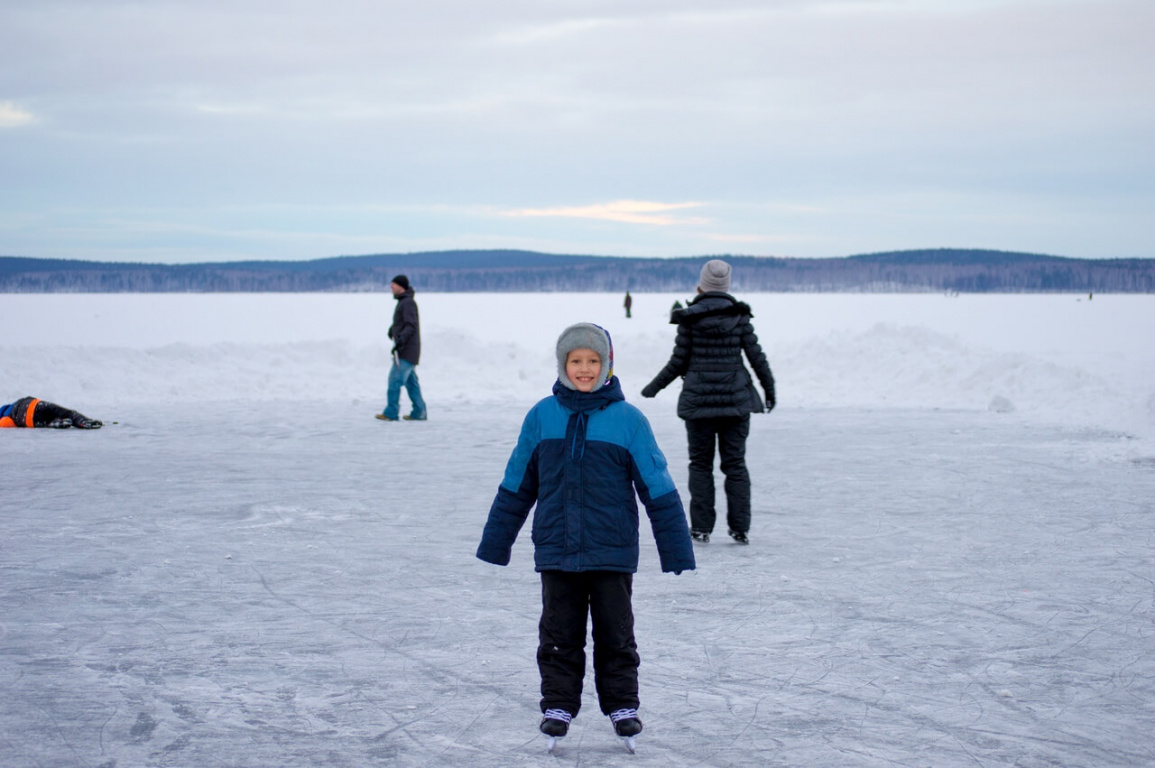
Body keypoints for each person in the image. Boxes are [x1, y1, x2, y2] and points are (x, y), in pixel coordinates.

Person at [476, 322, 695, 750]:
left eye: (593, 361)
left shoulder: (629, 420)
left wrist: (676, 547)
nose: (584, 369)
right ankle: (557, 705)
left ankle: (623, 706)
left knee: (616, 633)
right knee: (558, 633)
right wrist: (496, 541)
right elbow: (518, 481)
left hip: (612, 551)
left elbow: (658, 484)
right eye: (576, 361)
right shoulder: (542, 415)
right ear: (563, 364)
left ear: (607, 365)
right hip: (557, 549)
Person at [641, 259, 776, 545]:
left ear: (701, 285)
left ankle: (701, 528)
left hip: (699, 405)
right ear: (726, 286)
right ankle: (740, 528)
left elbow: (678, 362)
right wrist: (769, 389)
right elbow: (756, 358)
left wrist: (653, 388)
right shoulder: (740, 318)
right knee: (735, 465)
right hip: (736, 404)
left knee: (700, 465)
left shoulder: (690, 318)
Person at [377, 274, 427, 422]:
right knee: (411, 384)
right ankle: (419, 412)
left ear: (401, 286)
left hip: (406, 350)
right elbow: (404, 323)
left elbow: (411, 325)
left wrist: (400, 342)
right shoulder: (404, 302)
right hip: (409, 349)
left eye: (394, 284)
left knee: (394, 380)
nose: (391, 286)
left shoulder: (408, 303)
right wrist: (393, 329)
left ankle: (391, 413)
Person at [1, 396, 102, 429]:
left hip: (30, 419)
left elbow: (7, 423)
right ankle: (83, 421)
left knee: (45, 421)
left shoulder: (4, 416)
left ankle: (54, 423)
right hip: (37, 405)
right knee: (68, 413)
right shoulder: (13, 404)